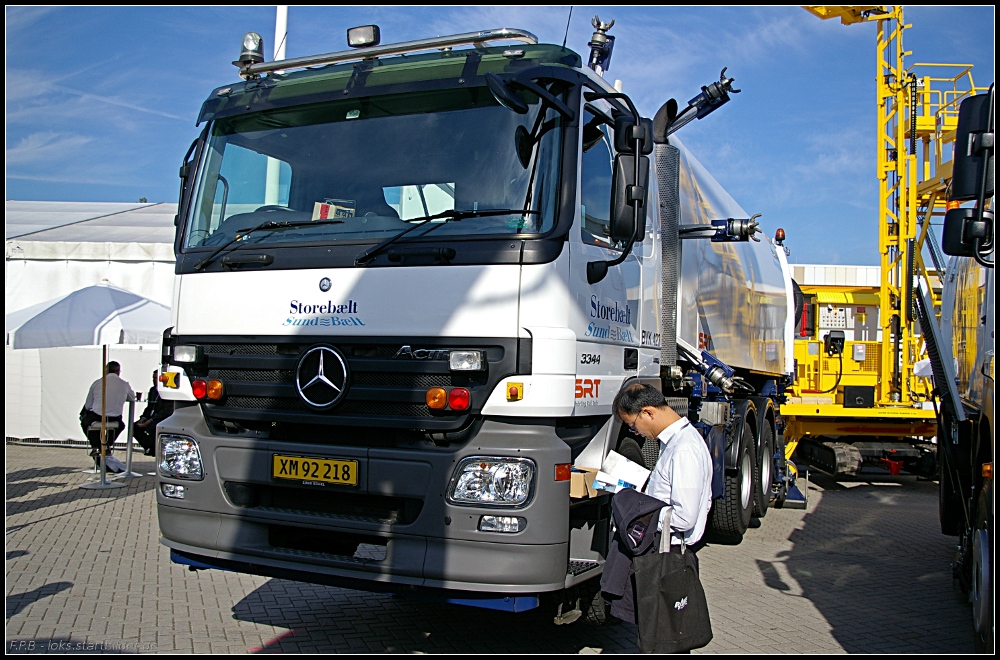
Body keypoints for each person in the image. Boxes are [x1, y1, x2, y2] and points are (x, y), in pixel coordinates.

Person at [613, 383, 713, 563]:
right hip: (664, 546)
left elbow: (685, 517)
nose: (635, 432)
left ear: (648, 412)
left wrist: (640, 516)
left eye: (633, 425)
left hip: (668, 553)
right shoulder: (675, 442)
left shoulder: (684, 449)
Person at [80, 361, 136, 469]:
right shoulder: (124, 384)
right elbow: (132, 398)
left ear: (106, 370)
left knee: (86, 423)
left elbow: (88, 405)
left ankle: (96, 446)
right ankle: (107, 445)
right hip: (115, 417)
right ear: (118, 371)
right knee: (120, 425)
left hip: (97, 415)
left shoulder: (97, 383)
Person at [134, 370, 172, 456]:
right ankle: (149, 447)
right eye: (153, 378)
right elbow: (149, 407)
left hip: (161, 418)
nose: (154, 380)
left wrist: (150, 420)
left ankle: (154, 449)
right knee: (134, 427)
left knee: (152, 427)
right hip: (150, 417)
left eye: (156, 378)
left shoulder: (167, 392)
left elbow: (166, 411)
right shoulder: (152, 390)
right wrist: (143, 418)